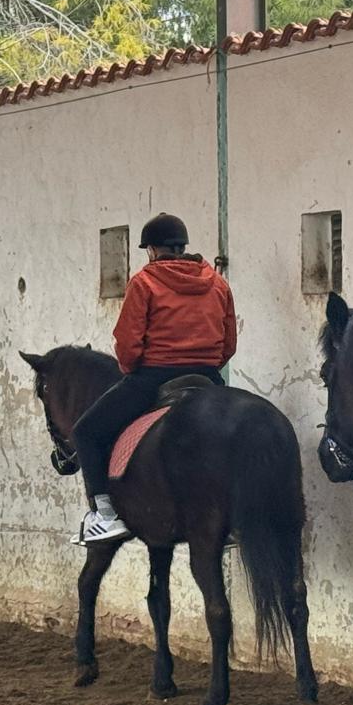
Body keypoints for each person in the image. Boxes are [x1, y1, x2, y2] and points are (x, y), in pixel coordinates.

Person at [73, 213, 236, 545]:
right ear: (183, 246)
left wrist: (132, 369)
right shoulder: (218, 283)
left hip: (154, 376)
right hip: (207, 376)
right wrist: (207, 365)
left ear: (151, 251)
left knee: (86, 432)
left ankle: (104, 516)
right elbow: (229, 341)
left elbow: (129, 343)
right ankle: (232, 518)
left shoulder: (144, 282)